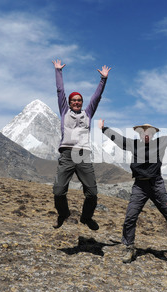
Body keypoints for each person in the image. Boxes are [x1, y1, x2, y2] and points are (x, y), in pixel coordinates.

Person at [99, 117, 167, 263]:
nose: (146, 134)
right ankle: (129, 247)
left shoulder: (161, 142)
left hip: (156, 184)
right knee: (130, 216)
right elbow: (118, 138)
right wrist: (104, 129)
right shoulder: (133, 144)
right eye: (143, 132)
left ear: (153, 134)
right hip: (139, 186)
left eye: (149, 132)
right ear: (139, 134)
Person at [52, 59, 111, 231]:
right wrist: (58, 71)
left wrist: (103, 80)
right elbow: (60, 91)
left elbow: (97, 97)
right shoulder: (64, 112)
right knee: (58, 191)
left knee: (92, 192)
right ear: (69, 103)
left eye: (79, 100)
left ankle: (86, 217)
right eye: (74, 100)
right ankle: (63, 214)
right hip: (67, 154)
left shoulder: (88, 113)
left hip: (83, 154)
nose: (77, 102)